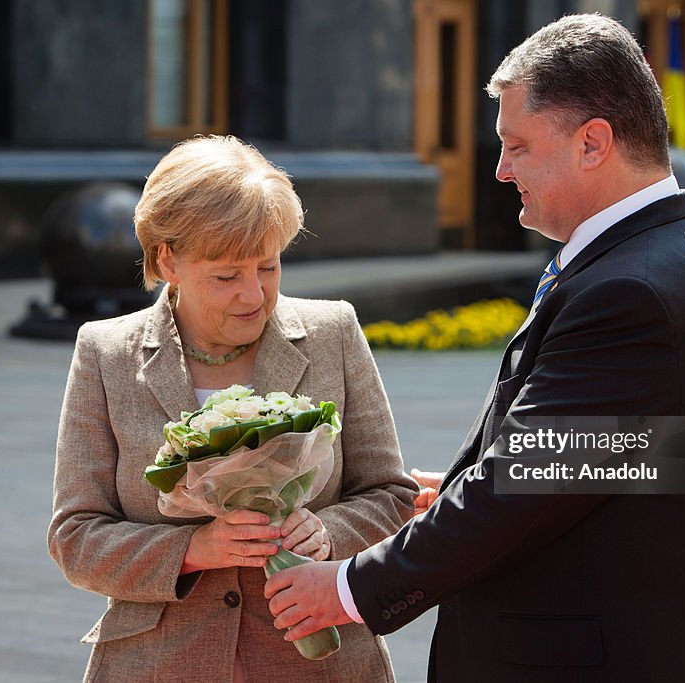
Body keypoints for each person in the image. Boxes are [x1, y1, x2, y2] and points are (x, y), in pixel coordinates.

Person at [264, 13, 685, 683]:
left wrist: (347, 587)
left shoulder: (634, 289)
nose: (499, 170)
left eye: (517, 144)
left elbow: (522, 487)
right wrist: (469, 485)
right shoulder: (653, 257)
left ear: (592, 142)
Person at [47, 135, 417, 683]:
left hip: (320, 664)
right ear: (168, 258)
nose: (253, 295)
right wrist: (194, 548)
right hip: (159, 663)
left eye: (268, 267)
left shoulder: (332, 332)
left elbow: (391, 494)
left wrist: (327, 533)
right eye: (226, 275)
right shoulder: (107, 354)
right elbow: (75, 537)